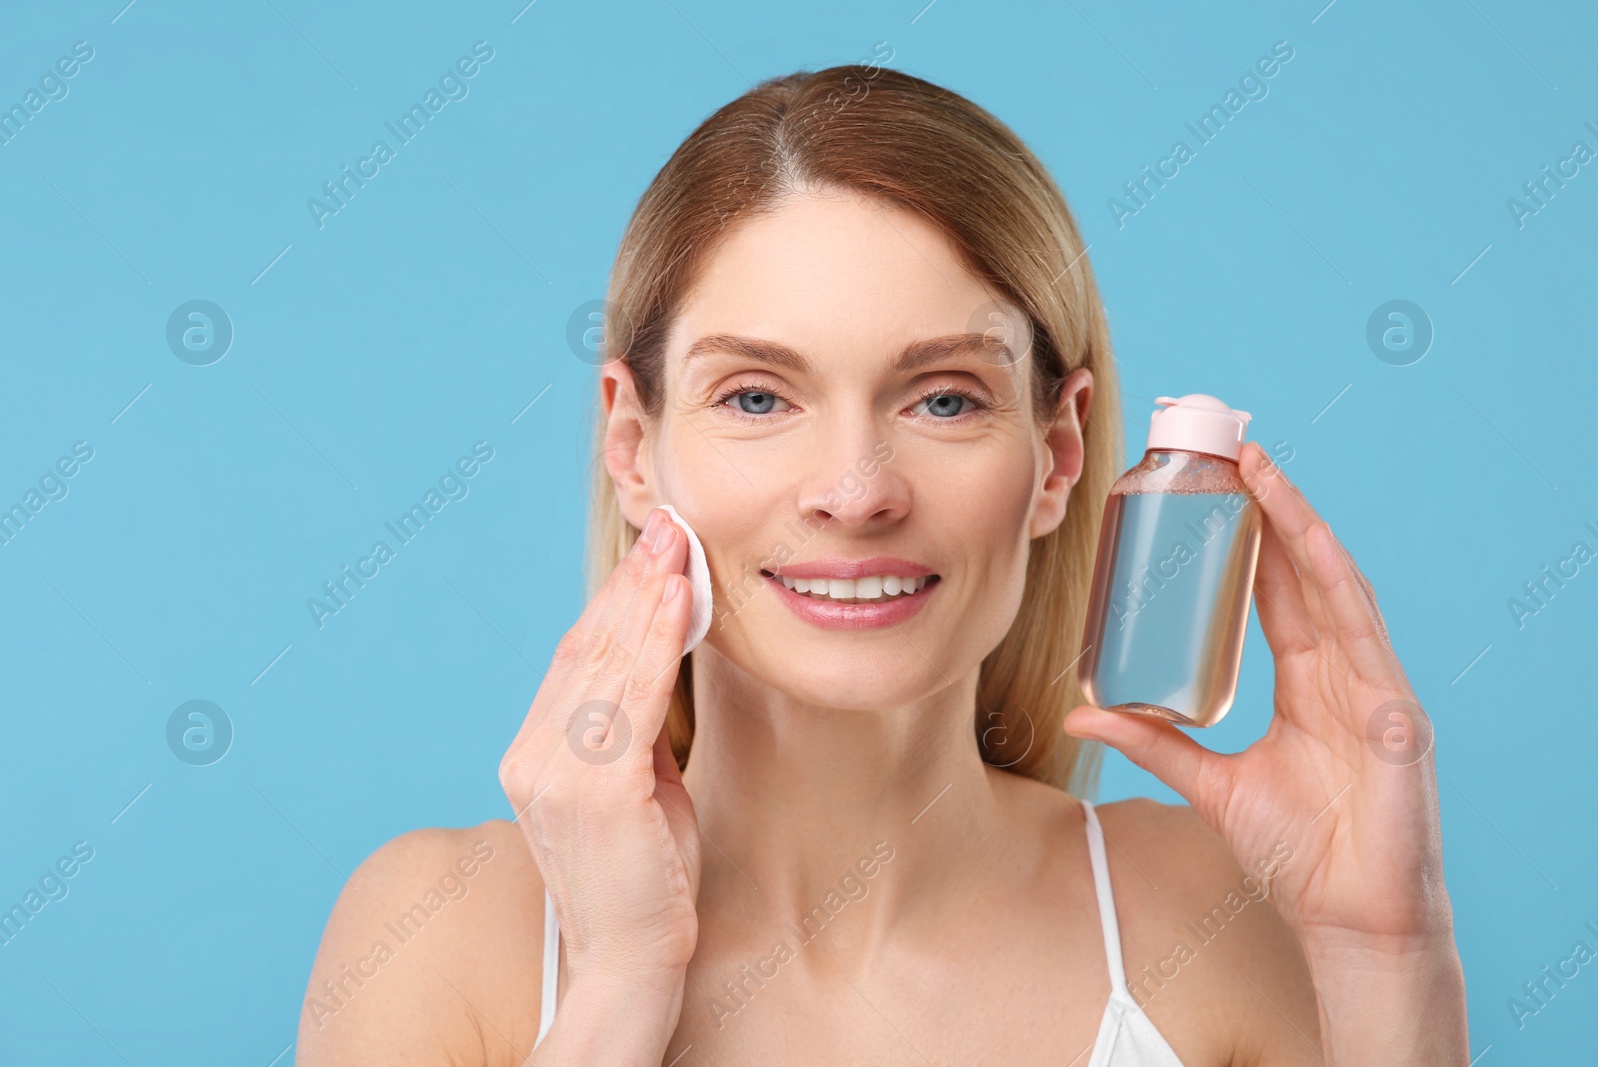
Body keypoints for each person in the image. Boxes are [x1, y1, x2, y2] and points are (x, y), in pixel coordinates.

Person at [297, 64, 1469, 1065]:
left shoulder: (1221, 912)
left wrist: (1388, 954)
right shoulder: (437, 935)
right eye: (756, 395)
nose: (856, 490)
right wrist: (615, 986)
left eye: (945, 396)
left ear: (1056, 454)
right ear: (631, 446)